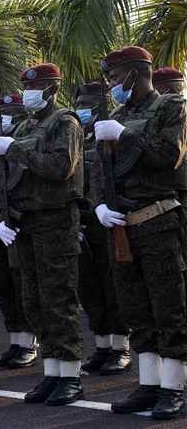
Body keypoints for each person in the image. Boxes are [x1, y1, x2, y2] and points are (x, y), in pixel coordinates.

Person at [92, 47, 187, 420]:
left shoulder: (171, 107)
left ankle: (174, 387)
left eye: (116, 79)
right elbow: (101, 171)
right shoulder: (115, 114)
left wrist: (124, 137)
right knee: (137, 310)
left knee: (170, 309)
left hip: (159, 220)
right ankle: (149, 384)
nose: (113, 86)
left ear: (135, 73)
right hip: (123, 227)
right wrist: (99, 204)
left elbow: (170, 154)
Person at [0, 64, 86, 406]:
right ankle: (52, 373)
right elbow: (7, 179)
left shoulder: (65, 122)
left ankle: (71, 376)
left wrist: (14, 149)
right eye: (27, 87)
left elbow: (61, 167)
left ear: (52, 89)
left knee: (58, 301)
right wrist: (4, 216)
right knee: (33, 303)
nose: (31, 92)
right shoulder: (23, 125)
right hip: (27, 224)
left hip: (56, 222)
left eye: (37, 87)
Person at [73, 82, 132, 375]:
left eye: (88, 103)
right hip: (82, 219)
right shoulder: (79, 140)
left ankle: (120, 348)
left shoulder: (115, 133)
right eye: (80, 103)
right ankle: (102, 346)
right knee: (90, 287)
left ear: (101, 104)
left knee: (113, 286)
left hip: (110, 221)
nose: (82, 109)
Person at [0, 95, 37, 369]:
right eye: (1, 113)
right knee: (4, 286)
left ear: (21, 115)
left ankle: (29, 343)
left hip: (21, 223)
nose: (4, 118)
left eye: (9, 113)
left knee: (23, 287)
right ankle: (16, 339)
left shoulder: (24, 141)